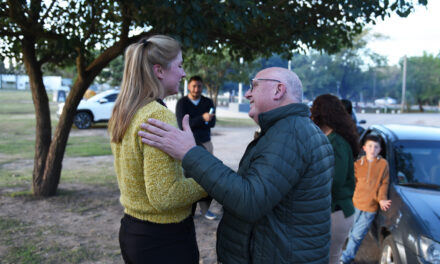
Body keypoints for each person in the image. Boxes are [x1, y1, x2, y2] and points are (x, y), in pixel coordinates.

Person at [138, 67, 334, 264]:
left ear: (278, 90)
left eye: (254, 86)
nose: (248, 93)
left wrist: (190, 153)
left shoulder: (290, 134)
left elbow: (250, 200)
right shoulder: (291, 130)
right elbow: (257, 190)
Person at [107, 35, 207, 264]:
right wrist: (209, 181)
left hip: (133, 232)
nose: (183, 73)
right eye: (180, 66)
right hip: (164, 241)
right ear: (159, 71)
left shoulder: (125, 110)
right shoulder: (156, 114)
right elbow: (165, 195)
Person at [310, 94, 359, 264]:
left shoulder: (337, 142)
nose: (311, 116)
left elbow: (335, 181)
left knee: (330, 258)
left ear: (322, 114)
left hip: (337, 211)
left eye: (313, 112)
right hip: (335, 211)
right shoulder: (329, 138)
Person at [340, 135, 391, 264]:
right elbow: (351, 183)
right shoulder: (358, 164)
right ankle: (345, 254)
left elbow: (384, 184)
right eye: (370, 146)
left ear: (380, 149)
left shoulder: (383, 165)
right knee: (350, 232)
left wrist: (382, 199)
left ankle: (345, 259)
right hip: (355, 204)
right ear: (364, 148)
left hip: (370, 207)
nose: (373, 149)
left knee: (357, 235)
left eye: (376, 147)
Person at [176, 75, 217, 220]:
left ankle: (205, 210)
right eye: (193, 86)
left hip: (205, 143)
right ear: (188, 86)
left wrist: (201, 121)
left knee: (207, 177)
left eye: (199, 86)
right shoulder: (182, 103)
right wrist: (202, 119)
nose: (196, 89)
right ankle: (188, 210)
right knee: (187, 176)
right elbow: (182, 125)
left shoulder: (207, 102)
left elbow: (212, 124)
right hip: (187, 144)